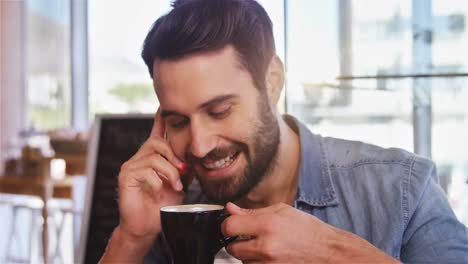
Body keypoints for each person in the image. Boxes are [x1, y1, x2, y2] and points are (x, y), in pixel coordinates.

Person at [100, 0, 468, 263]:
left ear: (272, 81)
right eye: (178, 122)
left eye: (220, 110)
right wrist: (131, 239)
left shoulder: (400, 188)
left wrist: (332, 254)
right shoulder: (171, 211)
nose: (199, 145)